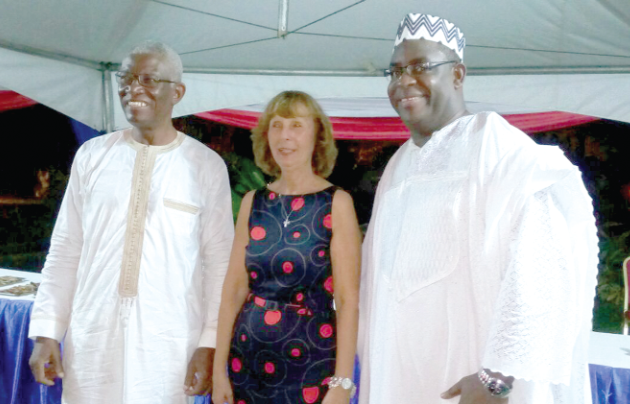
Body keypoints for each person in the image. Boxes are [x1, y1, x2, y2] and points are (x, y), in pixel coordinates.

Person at [358, 13, 598, 404]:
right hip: (402, 374)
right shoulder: (399, 164)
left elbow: (545, 262)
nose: (403, 81)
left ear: (457, 75)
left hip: (475, 381)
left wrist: (497, 377)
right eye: (396, 70)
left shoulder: (497, 145)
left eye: (420, 67)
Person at [28, 41, 234, 404]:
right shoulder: (92, 157)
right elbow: (65, 250)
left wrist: (209, 343)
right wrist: (47, 333)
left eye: (149, 79)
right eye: (125, 78)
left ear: (178, 92)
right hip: (93, 335)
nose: (132, 88)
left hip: (167, 345)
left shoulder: (204, 166)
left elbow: (219, 265)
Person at [211, 91, 361, 404]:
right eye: (277, 126)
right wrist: (218, 370)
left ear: (317, 135)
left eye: (296, 125)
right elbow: (234, 292)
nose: (285, 136)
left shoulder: (336, 203)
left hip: (310, 364)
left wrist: (343, 382)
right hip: (246, 363)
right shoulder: (254, 202)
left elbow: (347, 300)